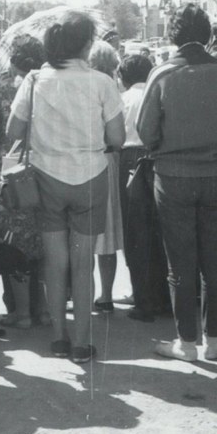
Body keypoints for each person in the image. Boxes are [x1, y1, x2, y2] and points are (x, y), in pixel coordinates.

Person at [8, 10, 125, 364]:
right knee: (82, 262)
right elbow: (117, 138)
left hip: (47, 177)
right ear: (86, 44)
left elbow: (13, 131)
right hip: (90, 174)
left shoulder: (32, 81)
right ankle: (82, 343)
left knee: (55, 261)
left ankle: (59, 338)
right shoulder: (102, 82)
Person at [137, 4, 217, 362]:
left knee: (180, 263)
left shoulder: (163, 74)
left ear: (173, 35)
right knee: (216, 260)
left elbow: (145, 132)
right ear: (210, 35)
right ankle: (213, 340)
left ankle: (186, 343)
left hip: (174, 179)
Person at [0, 33, 47, 329]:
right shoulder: (48, 83)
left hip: (10, 168)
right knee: (42, 238)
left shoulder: (1, 87)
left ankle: (21, 312)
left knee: (12, 237)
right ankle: (44, 309)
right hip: (45, 164)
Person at [119, 55, 169, 322]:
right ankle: (164, 295)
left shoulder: (123, 99)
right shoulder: (156, 94)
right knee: (160, 230)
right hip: (157, 157)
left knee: (135, 233)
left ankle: (144, 299)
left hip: (129, 160)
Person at [88, 40, 125, 313]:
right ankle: (107, 294)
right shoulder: (112, 86)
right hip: (109, 157)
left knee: (84, 232)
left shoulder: (84, 84)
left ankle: (83, 292)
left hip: (86, 157)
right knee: (107, 232)